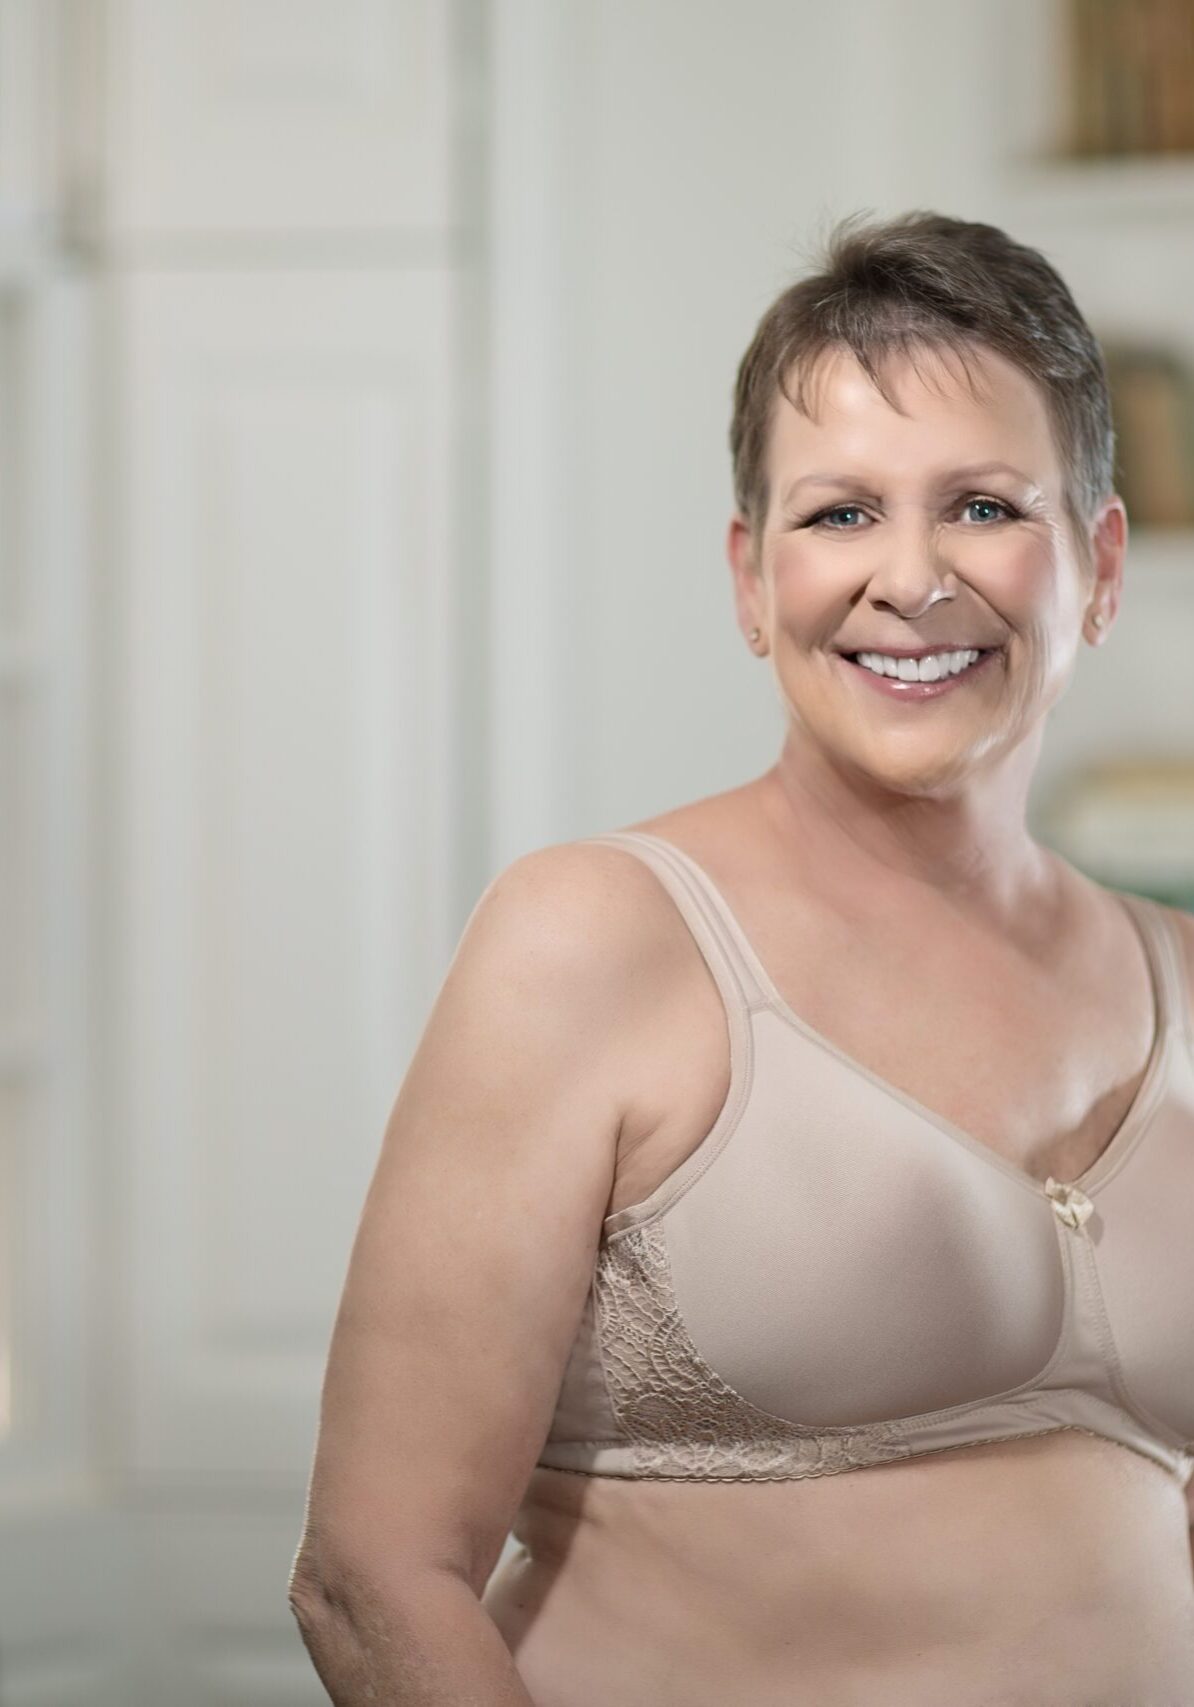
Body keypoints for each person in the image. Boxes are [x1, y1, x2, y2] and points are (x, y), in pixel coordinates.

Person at [287, 209, 1194, 1705]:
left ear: (1096, 564)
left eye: (982, 506)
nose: (909, 577)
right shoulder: (597, 938)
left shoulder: (1181, 976)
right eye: (839, 514)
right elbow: (371, 1576)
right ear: (746, 578)